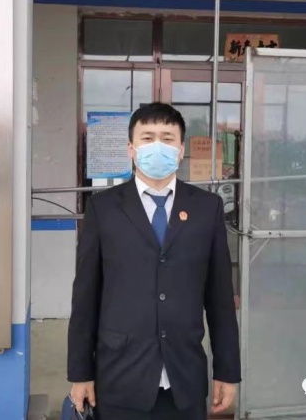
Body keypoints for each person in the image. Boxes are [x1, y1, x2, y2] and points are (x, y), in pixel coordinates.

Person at [67, 102, 241, 420]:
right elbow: (85, 297)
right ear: (131, 149)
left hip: (185, 380)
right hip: (120, 378)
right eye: (147, 138)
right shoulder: (103, 209)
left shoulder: (207, 208)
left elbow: (220, 299)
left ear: (180, 150)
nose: (157, 146)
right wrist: (80, 373)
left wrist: (227, 371)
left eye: (167, 138)